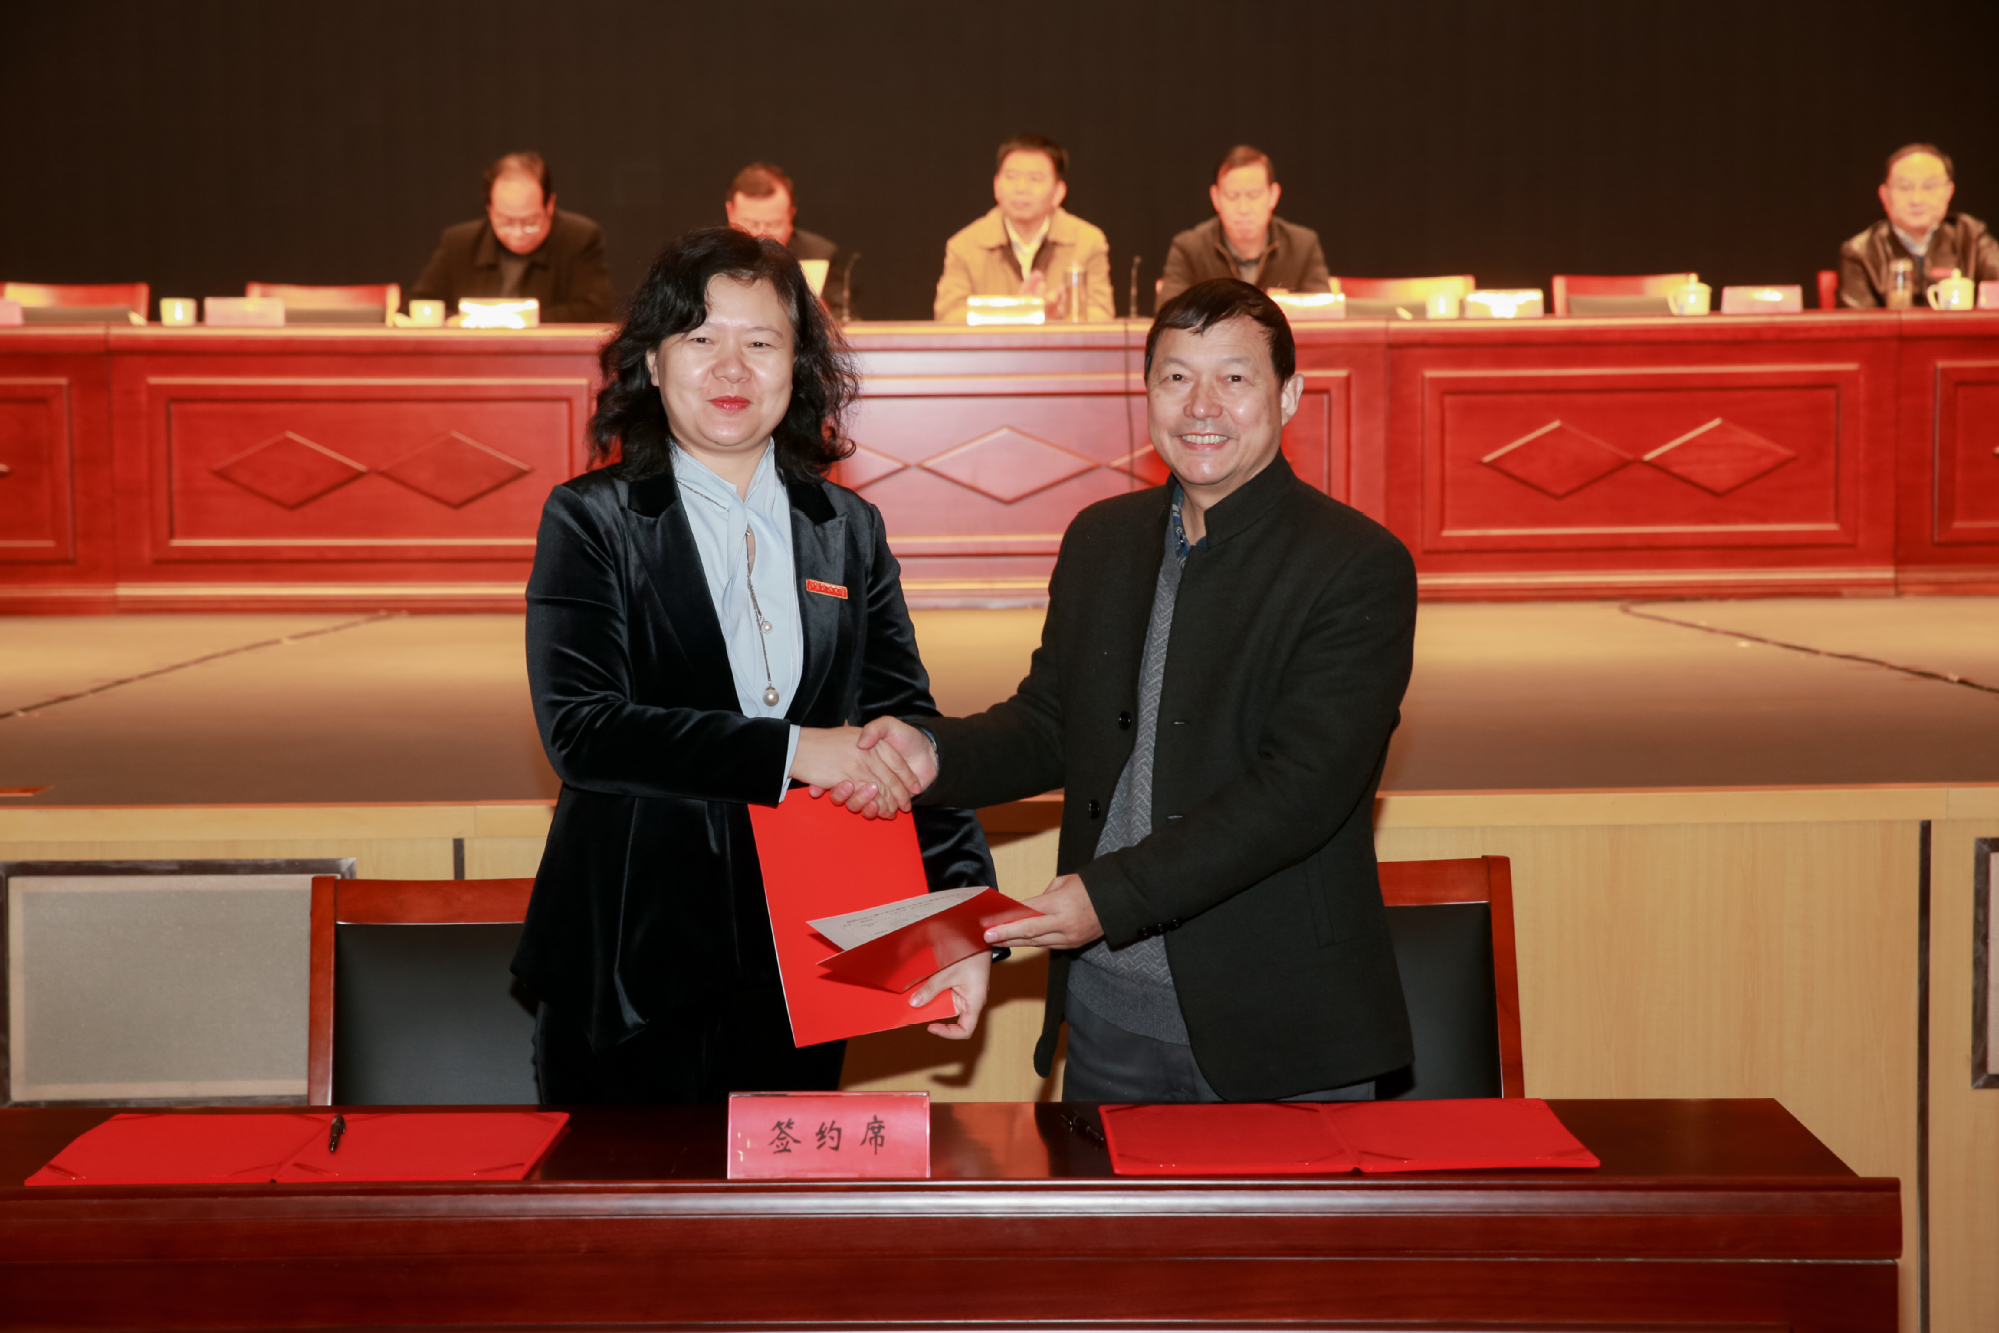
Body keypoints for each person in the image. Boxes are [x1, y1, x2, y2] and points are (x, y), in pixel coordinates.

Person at [852, 279, 1417, 1103]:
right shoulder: (1103, 539)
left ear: (1289, 395)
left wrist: (1108, 897)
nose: (1201, 406)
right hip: (1108, 1014)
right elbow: (1052, 723)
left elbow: (1299, 791)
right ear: (1146, 391)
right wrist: (931, 752)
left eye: (1233, 377)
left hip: (1280, 1028)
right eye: (1175, 377)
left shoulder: (1355, 564)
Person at [513, 227, 996, 1103]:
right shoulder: (592, 519)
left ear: (797, 366)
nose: (731, 368)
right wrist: (797, 751)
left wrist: (955, 922)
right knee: (622, 1194)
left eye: (761, 342)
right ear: (652, 361)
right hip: (630, 963)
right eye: (701, 337)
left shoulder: (846, 528)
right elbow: (583, 731)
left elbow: (908, 732)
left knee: (788, 1190)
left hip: (808, 958)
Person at [410, 152, 613, 322]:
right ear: (489, 209)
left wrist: (510, 321)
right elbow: (417, 306)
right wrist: (460, 322)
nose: (518, 233)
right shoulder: (459, 242)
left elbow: (595, 310)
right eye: (505, 222)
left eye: (530, 222)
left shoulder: (579, 238)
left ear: (550, 205)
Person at [935, 134, 1114, 322]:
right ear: (996, 186)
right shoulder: (965, 245)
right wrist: (1020, 311)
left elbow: (1102, 314)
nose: (1021, 188)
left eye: (1035, 179)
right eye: (1011, 177)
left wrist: (1062, 314)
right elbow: (949, 316)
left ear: (1058, 192)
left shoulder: (1087, 242)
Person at [1158, 146, 1331, 305]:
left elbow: (1324, 315)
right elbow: (1168, 315)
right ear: (1215, 198)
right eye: (1232, 196)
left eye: (1253, 195)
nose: (1243, 208)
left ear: (1273, 195)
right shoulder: (1188, 249)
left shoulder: (1302, 246)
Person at [1838, 142, 1999, 308]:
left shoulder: (1971, 236)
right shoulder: (1860, 252)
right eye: (1905, 187)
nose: (1917, 199)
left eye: (1929, 187)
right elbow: (1858, 321)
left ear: (1949, 192)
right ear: (1884, 195)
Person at [725, 162, 850, 317]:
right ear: (730, 213)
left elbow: (849, 322)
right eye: (751, 224)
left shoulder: (818, 254)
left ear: (791, 216)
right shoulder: (702, 255)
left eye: (773, 224)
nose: (761, 234)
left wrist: (823, 315)